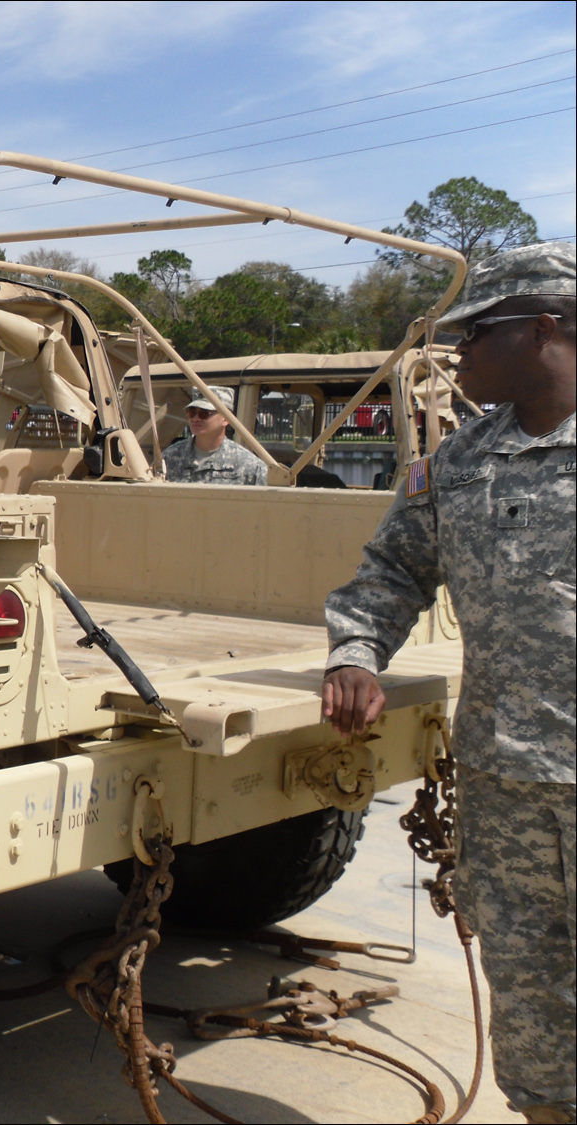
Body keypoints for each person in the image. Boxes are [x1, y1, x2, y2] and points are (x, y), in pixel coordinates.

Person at [321, 242, 575, 1125]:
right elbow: (392, 571)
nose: (460, 355)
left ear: (545, 328)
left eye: (478, 333)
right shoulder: (463, 460)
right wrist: (354, 652)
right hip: (506, 785)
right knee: (534, 1002)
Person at [161, 386, 269, 485]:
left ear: (226, 418)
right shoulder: (169, 458)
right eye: (191, 413)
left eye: (204, 413)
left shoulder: (248, 465)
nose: (195, 418)